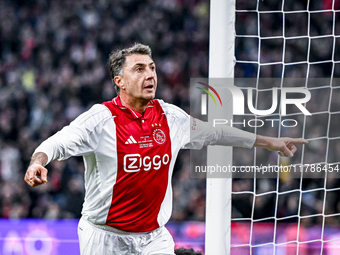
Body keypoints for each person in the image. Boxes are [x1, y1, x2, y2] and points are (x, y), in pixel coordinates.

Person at [24, 43, 307, 255]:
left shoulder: (171, 118)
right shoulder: (100, 120)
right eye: (139, 69)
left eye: (152, 68)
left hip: (153, 238)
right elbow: (58, 141)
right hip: (104, 237)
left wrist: (270, 142)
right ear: (119, 81)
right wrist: (39, 161)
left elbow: (216, 132)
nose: (150, 75)